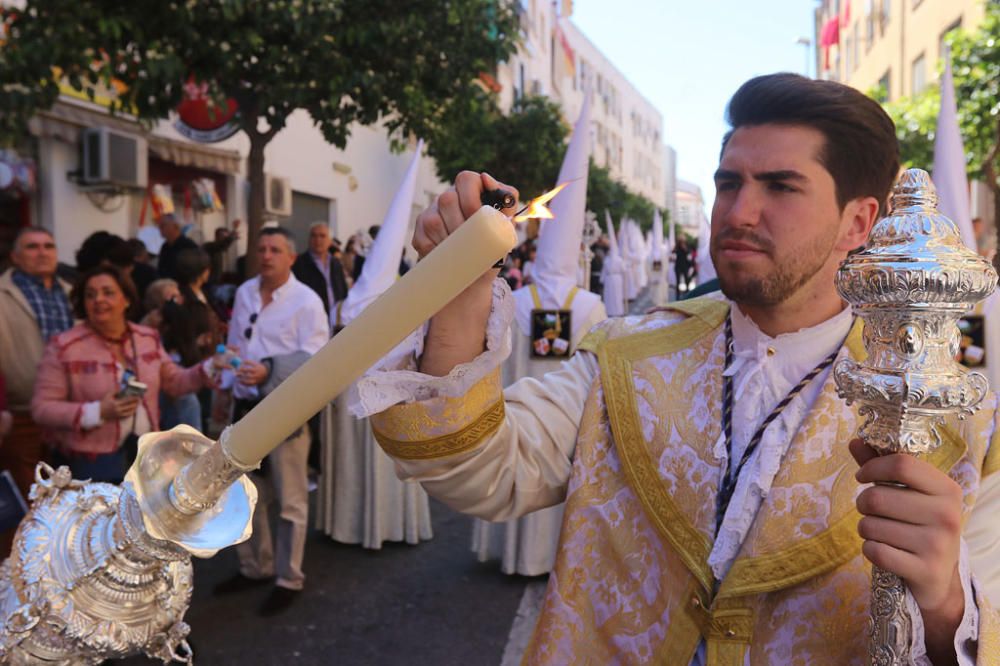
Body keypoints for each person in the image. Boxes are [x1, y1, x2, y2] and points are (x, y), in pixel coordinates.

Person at [354, 74, 1000, 663]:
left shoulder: (954, 417)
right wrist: (463, 287)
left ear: (859, 222)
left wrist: (946, 600)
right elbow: (473, 467)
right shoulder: (628, 353)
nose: (738, 213)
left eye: (780, 186)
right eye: (729, 183)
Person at [214, 227, 328, 616]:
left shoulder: (306, 301)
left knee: (290, 500)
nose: (266, 255)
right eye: (261, 249)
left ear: (291, 257)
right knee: (244, 495)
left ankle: (288, 577)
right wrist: (226, 380)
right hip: (245, 408)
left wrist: (269, 369)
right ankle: (255, 566)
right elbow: (236, 342)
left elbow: (317, 358)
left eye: (275, 249)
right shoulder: (246, 292)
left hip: (283, 410)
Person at [31, 266, 217, 483]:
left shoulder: (147, 338)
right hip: (90, 464)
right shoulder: (64, 346)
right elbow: (42, 408)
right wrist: (97, 411)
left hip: (146, 459)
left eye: (108, 292)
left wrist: (209, 367)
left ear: (126, 299)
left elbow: (175, 382)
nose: (98, 300)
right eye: (90, 295)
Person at [0, 227, 73, 556]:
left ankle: (60, 564)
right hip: (21, 414)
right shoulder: (4, 295)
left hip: (70, 415)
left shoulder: (71, 292)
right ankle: (23, 571)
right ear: (15, 256)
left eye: (48, 246)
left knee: (67, 500)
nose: (42, 252)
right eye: (32, 247)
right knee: (26, 504)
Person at [292, 222, 349, 316]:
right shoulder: (298, 263)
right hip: (311, 317)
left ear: (330, 241)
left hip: (336, 319)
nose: (317, 240)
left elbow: (343, 291)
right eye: (313, 236)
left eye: (322, 236)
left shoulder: (336, 263)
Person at [156, 214, 199, 280]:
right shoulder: (165, 246)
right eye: (159, 226)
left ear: (176, 226)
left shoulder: (188, 246)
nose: (160, 228)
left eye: (163, 225)